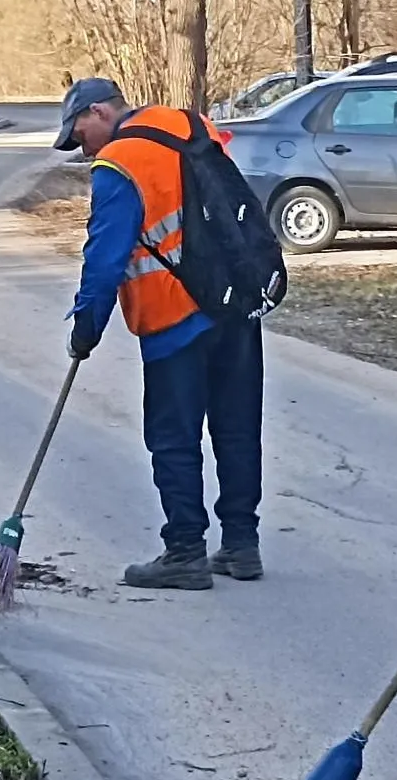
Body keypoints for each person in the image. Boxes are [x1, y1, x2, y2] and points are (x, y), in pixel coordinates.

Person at [53, 77, 265, 590]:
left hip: (175, 316)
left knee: (174, 437)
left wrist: (86, 325)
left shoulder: (120, 162)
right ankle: (240, 545)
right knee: (237, 428)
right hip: (235, 301)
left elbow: (105, 256)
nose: (80, 147)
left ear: (100, 112)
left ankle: (185, 551)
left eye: (78, 132)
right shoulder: (189, 126)